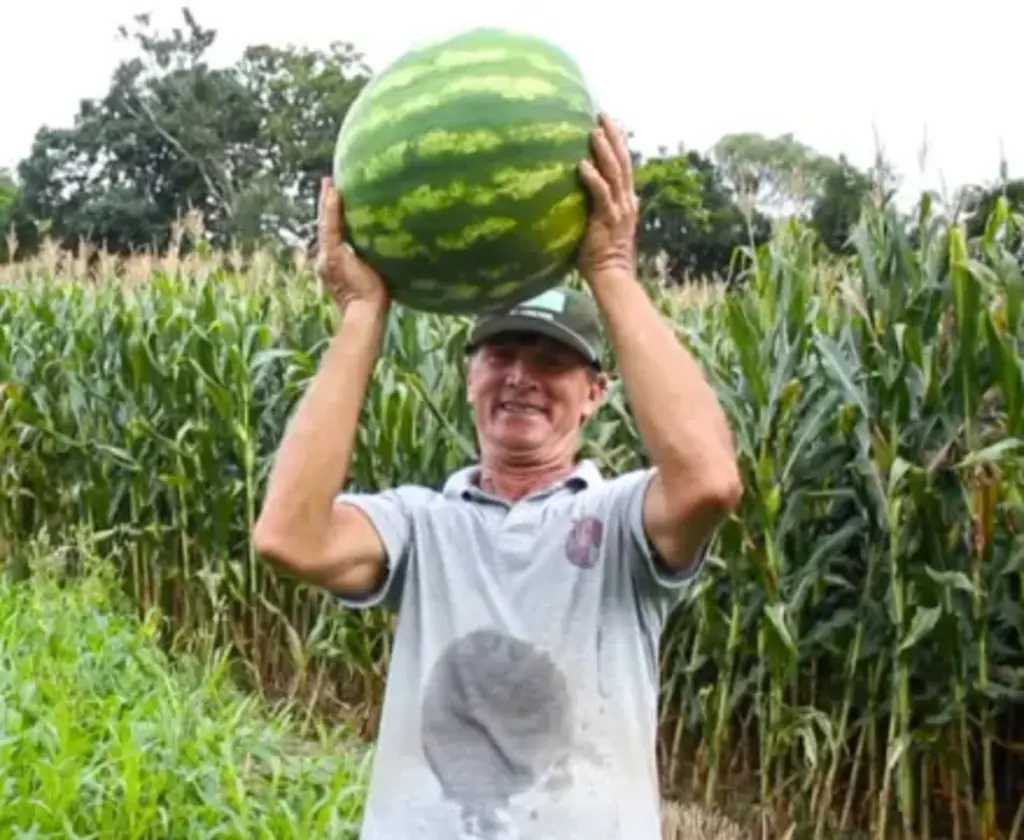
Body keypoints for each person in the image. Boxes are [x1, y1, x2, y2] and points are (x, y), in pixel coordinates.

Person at [253, 113, 742, 840]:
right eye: (501, 355)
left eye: (551, 362)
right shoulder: (422, 525)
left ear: (596, 391)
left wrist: (609, 271)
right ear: (469, 374)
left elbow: (709, 482)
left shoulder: (618, 523)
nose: (521, 378)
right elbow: (288, 537)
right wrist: (361, 312)